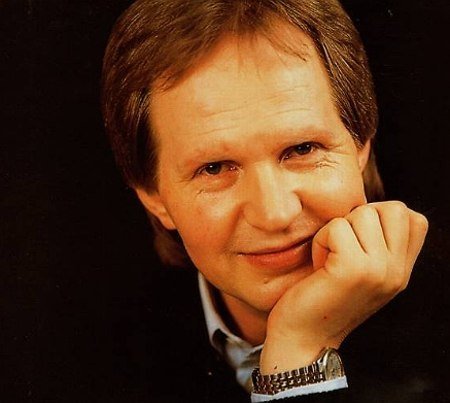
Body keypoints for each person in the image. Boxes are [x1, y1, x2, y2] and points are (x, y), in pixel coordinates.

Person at [100, 0, 429, 401]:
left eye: (303, 148)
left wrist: (300, 351)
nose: (275, 214)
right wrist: (300, 347)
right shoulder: (93, 360)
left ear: (361, 145)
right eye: (215, 168)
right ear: (153, 197)